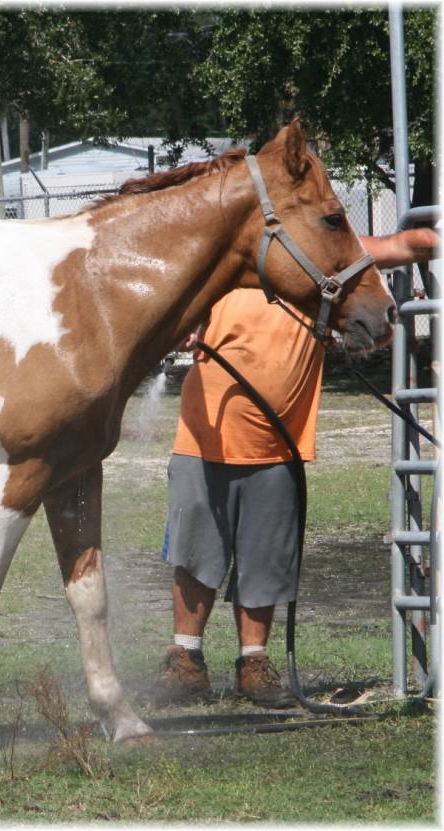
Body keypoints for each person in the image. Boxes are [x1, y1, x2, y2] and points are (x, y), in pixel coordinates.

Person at [157, 227, 439, 708]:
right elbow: (172, 296)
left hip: (279, 443)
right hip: (203, 437)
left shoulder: (330, 258)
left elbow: (405, 245)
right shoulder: (228, 257)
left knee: (266, 558)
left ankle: (254, 663)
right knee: (195, 554)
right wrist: (182, 323)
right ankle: (185, 660)